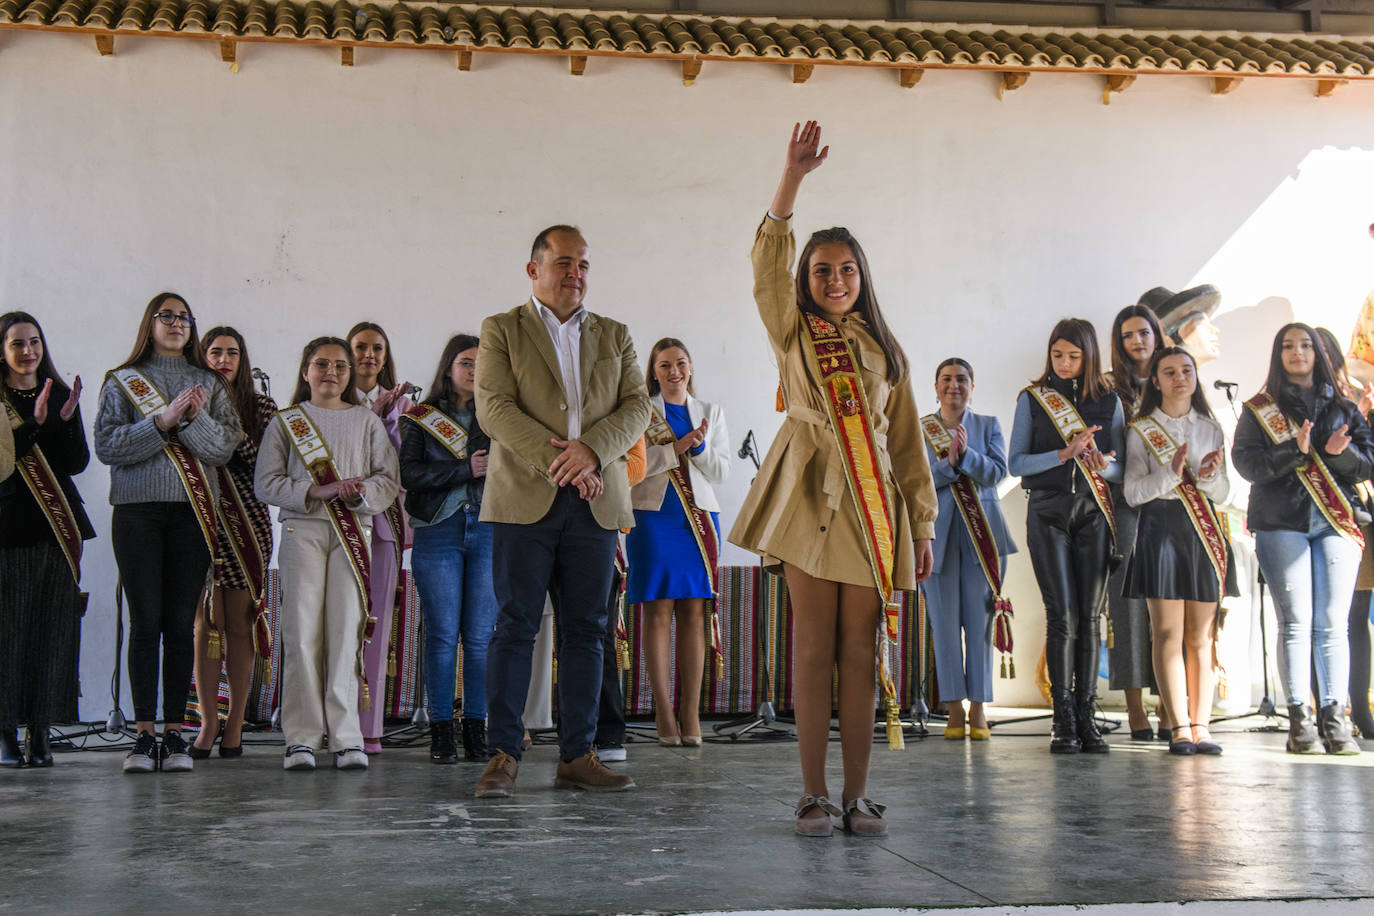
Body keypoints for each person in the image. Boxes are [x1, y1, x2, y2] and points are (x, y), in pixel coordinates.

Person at [729, 123, 937, 838]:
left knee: (859, 652)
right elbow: (767, 264)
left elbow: (907, 449)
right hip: (807, 494)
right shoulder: (792, 330)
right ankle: (812, 793)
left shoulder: (886, 353)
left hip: (872, 507)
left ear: (863, 277)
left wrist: (925, 523)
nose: (836, 281)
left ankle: (858, 795)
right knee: (812, 650)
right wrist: (791, 180)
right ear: (806, 281)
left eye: (847, 270)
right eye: (822, 271)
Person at [472, 224, 650, 798]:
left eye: (584, 265)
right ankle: (502, 754)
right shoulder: (501, 329)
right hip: (525, 497)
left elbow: (637, 407)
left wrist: (591, 450)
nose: (576, 274)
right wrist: (564, 460)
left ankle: (578, 755)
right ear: (534, 270)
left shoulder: (616, 334)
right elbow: (494, 409)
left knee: (587, 631)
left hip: (596, 501)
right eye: (564, 263)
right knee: (514, 626)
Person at [95, 292, 242, 774]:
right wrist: (160, 422)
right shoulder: (122, 381)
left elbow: (224, 447)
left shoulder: (208, 383)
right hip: (137, 513)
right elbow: (107, 445)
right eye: (167, 316)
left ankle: (176, 734)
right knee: (144, 623)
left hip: (192, 515)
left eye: (184, 317)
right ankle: (142, 736)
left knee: (181, 624)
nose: (176, 323)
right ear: (150, 323)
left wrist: (192, 418)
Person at [255, 336, 399, 771]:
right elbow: (266, 482)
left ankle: (346, 736)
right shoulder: (286, 422)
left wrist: (358, 495)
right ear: (305, 371)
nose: (331, 372)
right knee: (300, 632)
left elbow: (386, 480)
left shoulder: (366, 422)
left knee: (345, 631)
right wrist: (317, 490)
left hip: (353, 532)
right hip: (303, 530)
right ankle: (300, 738)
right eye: (321, 364)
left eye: (340, 365)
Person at [1232, 323, 1374, 755]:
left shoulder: (1345, 406)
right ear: (1278, 355)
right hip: (1280, 521)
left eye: (1306, 345)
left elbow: (1367, 463)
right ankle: (1300, 721)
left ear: (1318, 353)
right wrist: (1295, 450)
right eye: (1288, 346)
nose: (1298, 352)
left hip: (1335, 522)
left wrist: (1338, 454)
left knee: (1333, 625)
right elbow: (1246, 464)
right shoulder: (1259, 409)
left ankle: (1335, 720)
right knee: (1295, 623)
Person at [1009, 317, 1124, 755]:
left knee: (1090, 618)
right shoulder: (1033, 399)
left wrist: (1101, 464)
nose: (1064, 363)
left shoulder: (1108, 400)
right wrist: (1064, 453)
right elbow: (1016, 463)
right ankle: (1063, 717)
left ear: (1089, 356)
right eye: (1058, 355)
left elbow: (1121, 468)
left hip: (1093, 515)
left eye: (1074, 356)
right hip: (1047, 512)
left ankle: (1087, 713)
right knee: (1061, 616)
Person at [1123, 347, 1237, 755]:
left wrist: (1205, 478)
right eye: (1169, 372)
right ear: (1155, 380)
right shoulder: (1141, 429)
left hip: (1202, 531)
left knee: (1202, 637)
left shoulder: (1210, 427)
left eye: (1186, 370)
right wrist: (1171, 474)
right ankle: (1179, 727)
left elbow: (1224, 492)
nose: (1179, 378)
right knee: (1168, 634)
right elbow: (1133, 493)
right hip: (1160, 530)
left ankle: (1202, 725)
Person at [0, 312, 94, 767]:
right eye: (17, 343)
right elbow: (3, 461)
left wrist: (67, 420)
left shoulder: (58, 392)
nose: (28, 351)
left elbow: (76, 464)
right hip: (9, 527)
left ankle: (41, 729)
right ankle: (5, 732)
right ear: (2, 350)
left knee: (52, 631)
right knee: (8, 632)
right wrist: (35, 424)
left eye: (34, 342)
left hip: (57, 526)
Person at [627, 338, 729, 747]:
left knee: (693, 613)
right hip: (652, 518)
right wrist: (675, 450)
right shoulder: (639, 411)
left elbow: (721, 472)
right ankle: (663, 712)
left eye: (680, 363)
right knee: (657, 612)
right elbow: (632, 468)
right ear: (653, 371)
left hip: (699, 519)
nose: (674, 371)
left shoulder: (710, 412)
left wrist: (699, 447)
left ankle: (691, 712)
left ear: (690, 367)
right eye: (665, 364)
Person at [400, 333, 496, 764]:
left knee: (479, 638)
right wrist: (465, 468)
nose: (474, 371)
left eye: (481, 363)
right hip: (437, 528)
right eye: (466, 363)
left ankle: (477, 727)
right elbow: (411, 475)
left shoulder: (499, 415)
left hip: (491, 528)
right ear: (448, 368)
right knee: (441, 635)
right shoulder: (420, 417)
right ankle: (441, 729)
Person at [189, 326, 278, 759]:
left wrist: (219, 427)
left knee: (242, 624)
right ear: (201, 356)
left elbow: (263, 462)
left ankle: (236, 725)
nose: (223, 360)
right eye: (215, 352)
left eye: (232, 353)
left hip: (248, 523)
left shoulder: (260, 405)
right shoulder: (187, 400)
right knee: (207, 625)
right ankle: (208, 722)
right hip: (201, 520)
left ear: (243, 360)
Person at [920, 358, 1016, 741]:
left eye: (962, 379)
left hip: (984, 537)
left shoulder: (988, 425)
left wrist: (968, 458)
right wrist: (950, 464)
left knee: (980, 626)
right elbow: (917, 481)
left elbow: (998, 472)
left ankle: (979, 706)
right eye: (946, 379)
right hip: (937, 538)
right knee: (944, 626)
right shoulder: (920, 428)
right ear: (936, 385)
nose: (954, 385)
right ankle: (953, 707)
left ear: (972, 386)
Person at [347, 321, 411, 755]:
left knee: (376, 624)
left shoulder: (404, 406)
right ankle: (333, 722)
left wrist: (390, 417)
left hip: (384, 525)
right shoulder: (329, 398)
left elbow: (403, 463)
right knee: (336, 624)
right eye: (360, 347)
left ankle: (368, 728)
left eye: (377, 348)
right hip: (339, 523)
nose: (368, 355)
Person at [1105, 304, 1169, 740]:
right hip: (1125, 506)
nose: (1137, 341)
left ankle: (1171, 703)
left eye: (1144, 332)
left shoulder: (1177, 378)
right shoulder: (1110, 390)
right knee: (1127, 606)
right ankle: (1133, 708)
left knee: (1170, 605)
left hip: (1172, 507)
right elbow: (1111, 459)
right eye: (1128, 335)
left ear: (1157, 335)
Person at [1315, 326, 1374, 739]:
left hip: (1359, 514)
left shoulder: (1357, 396)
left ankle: (1361, 709)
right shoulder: (1287, 401)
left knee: (1356, 617)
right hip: (1314, 516)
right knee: (1320, 618)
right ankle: (1325, 708)